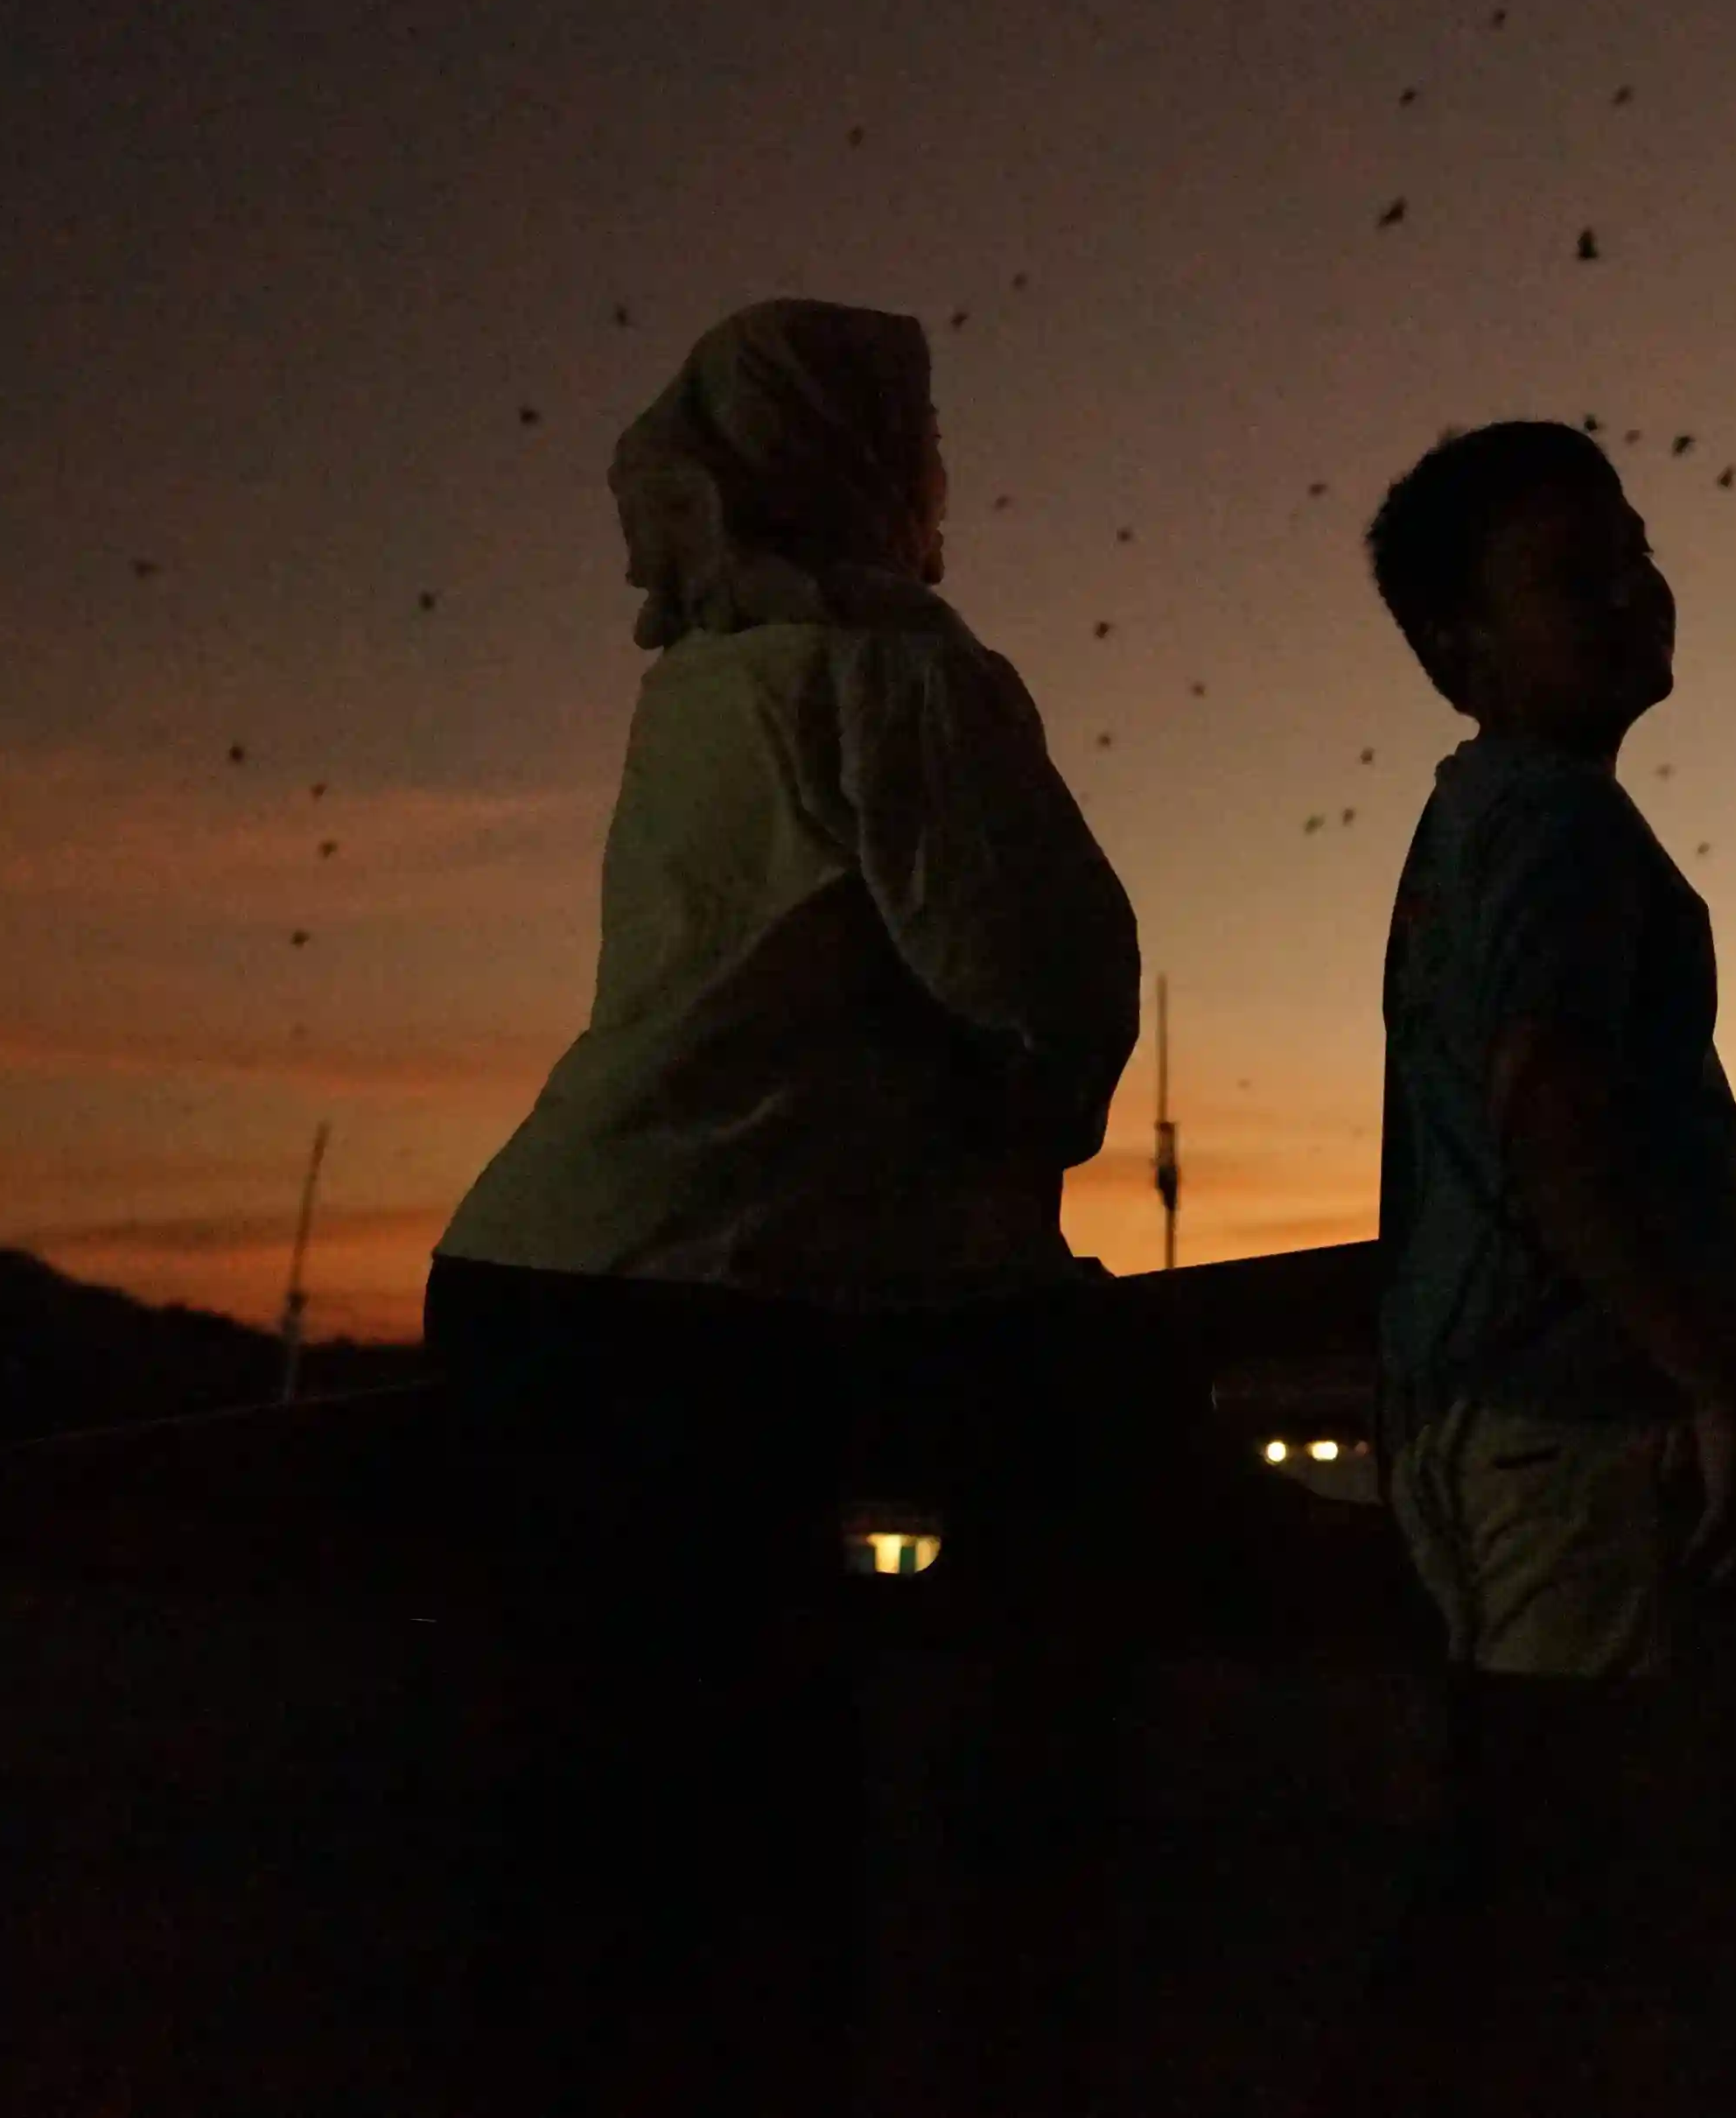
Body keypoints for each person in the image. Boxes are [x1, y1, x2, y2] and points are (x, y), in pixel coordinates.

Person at [422, 297, 1149, 2117]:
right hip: (707, 1321)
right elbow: (1044, 988)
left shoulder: (705, 686)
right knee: (746, 1869)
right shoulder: (889, 677)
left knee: (592, 1867)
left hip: (545, 1292)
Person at [1362, 417, 1736, 1679]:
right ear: (1459, 650)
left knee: (1535, 1799)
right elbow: (1546, 1111)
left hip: (1464, 1404)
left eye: (1634, 551)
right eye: (1569, 572)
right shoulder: (1562, 821)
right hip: (1569, 1415)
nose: (1627, 588)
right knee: (1595, 1821)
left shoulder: (1469, 820)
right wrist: (1707, 1375)